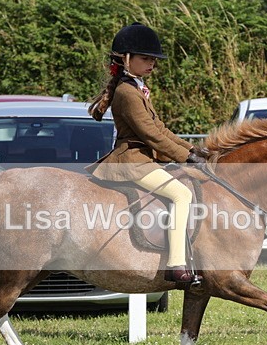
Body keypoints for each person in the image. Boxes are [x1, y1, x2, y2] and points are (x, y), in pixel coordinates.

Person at [87, 22, 205, 284]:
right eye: (145, 58)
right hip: (133, 161)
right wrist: (185, 157)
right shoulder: (127, 93)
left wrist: (192, 148)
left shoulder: (136, 87)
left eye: (153, 59)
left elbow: (159, 127)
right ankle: (176, 265)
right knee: (181, 194)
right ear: (126, 59)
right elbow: (150, 135)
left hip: (142, 158)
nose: (152, 63)